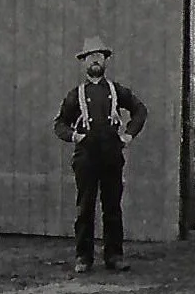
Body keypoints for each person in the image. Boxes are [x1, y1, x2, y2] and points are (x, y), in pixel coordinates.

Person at [53, 35, 149, 273]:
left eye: (99, 57)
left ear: (105, 61)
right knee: (85, 208)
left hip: (111, 155)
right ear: (83, 63)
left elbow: (139, 110)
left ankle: (114, 256)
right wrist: (74, 136)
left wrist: (128, 135)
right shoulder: (76, 94)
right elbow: (59, 124)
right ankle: (83, 257)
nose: (95, 61)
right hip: (86, 156)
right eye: (90, 57)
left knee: (112, 207)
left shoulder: (116, 90)